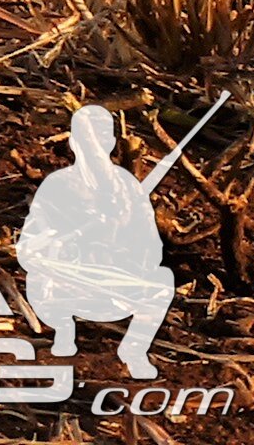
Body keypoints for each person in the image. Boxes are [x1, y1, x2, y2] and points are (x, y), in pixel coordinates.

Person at [16, 104, 174, 376]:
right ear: (74, 144)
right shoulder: (57, 185)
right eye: (89, 141)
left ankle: (133, 350)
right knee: (39, 279)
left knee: (162, 280)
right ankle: (64, 333)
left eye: (101, 141)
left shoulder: (127, 187)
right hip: (67, 284)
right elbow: (28, 247)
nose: (95, 151)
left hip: (117, 285)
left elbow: (152, 248)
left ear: (113, 144)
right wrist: (65, 244)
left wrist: (123, 236)